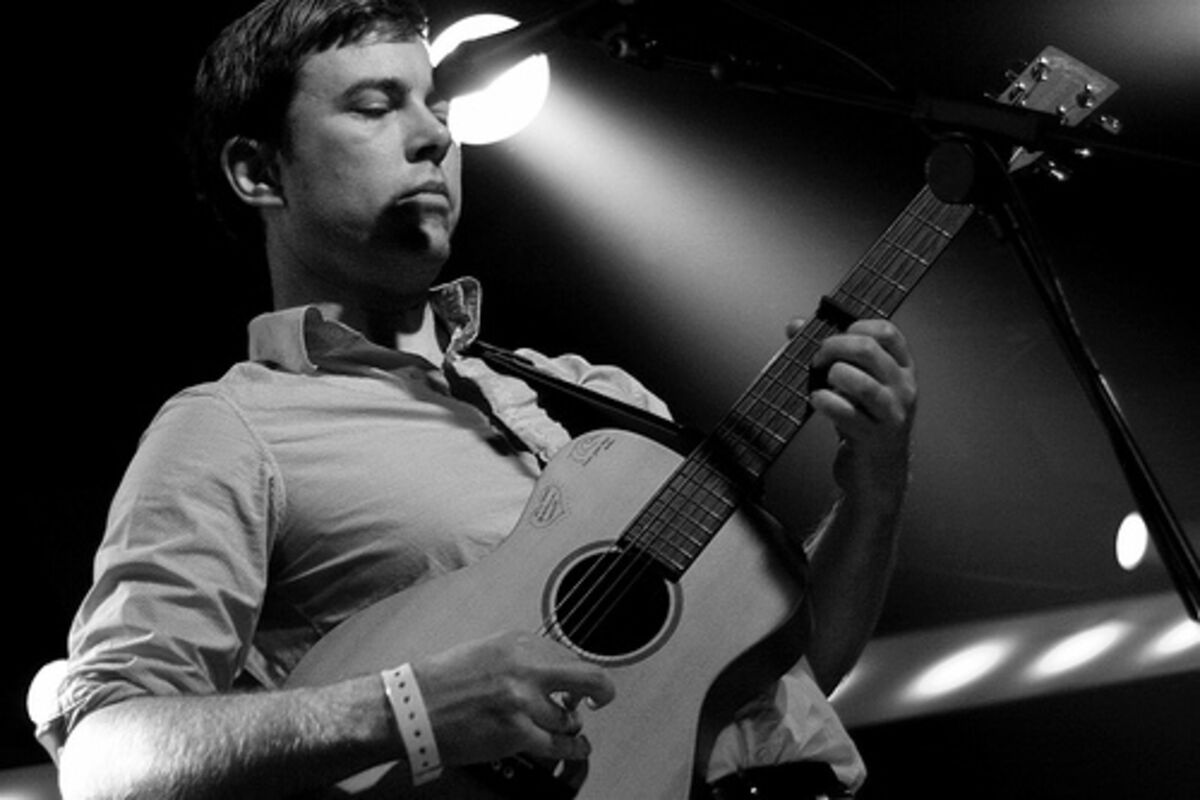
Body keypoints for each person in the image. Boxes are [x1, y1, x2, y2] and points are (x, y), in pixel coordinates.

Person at [40, 0, 917, 797]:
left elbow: (779, 674)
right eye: (376, 107)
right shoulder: (230, 428)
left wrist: (872, 490)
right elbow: (104, 761)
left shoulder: (596, 394)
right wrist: (408, 711)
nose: (434, 136)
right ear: (258, 170)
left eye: (440, 108)